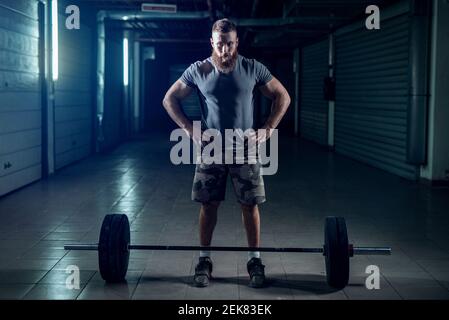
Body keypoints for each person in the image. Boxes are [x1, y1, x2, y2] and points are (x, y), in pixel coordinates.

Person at [162, 18, 290, 288]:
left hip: (245, 147)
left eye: (230, 44)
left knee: (250, 205)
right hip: (212, 149)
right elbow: (169, 99)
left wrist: (268, 128)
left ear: (237, 43)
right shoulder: (198, 71)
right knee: (208, 206)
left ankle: (254, 260)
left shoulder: (252, 68)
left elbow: (282, 96)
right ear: (212, 42)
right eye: (220, 44)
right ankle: (204, 260)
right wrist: (189, 128)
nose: (225, 51)